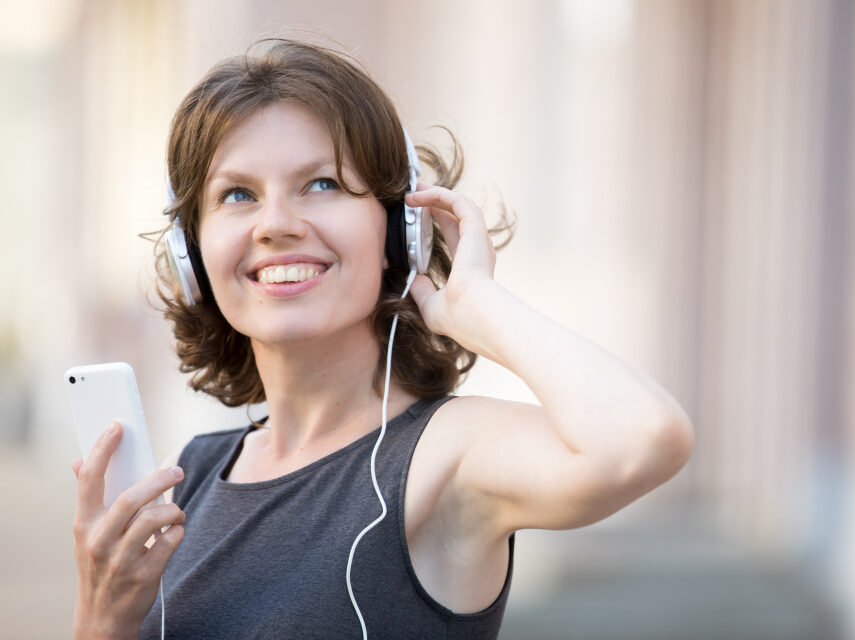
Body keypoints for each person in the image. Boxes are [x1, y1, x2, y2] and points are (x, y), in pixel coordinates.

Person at [70, 38, 694, 639]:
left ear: (401, 229)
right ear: (193, 253)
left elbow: (643, 438)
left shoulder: (442, 459)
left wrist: (480, 306)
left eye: (323, 184)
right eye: (238, 195)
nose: (276, 225)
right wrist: (100, 625)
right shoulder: (195, 473)